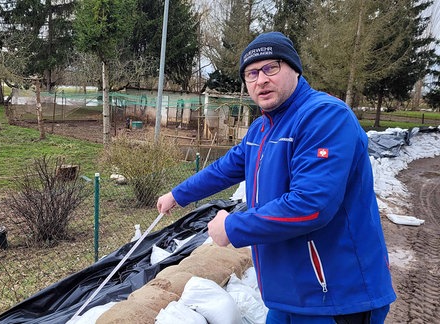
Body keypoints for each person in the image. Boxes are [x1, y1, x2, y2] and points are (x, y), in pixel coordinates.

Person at [156, 31, 396, 323]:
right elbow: (224, 168)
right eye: (252, 73)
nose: (261, 80)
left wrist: (232, 226)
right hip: (288, 294)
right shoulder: (261, 130)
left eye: (271, 68)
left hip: (336, 297)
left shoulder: (324, 117)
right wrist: (177, 195)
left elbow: (312, 205)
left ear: (294, 69)